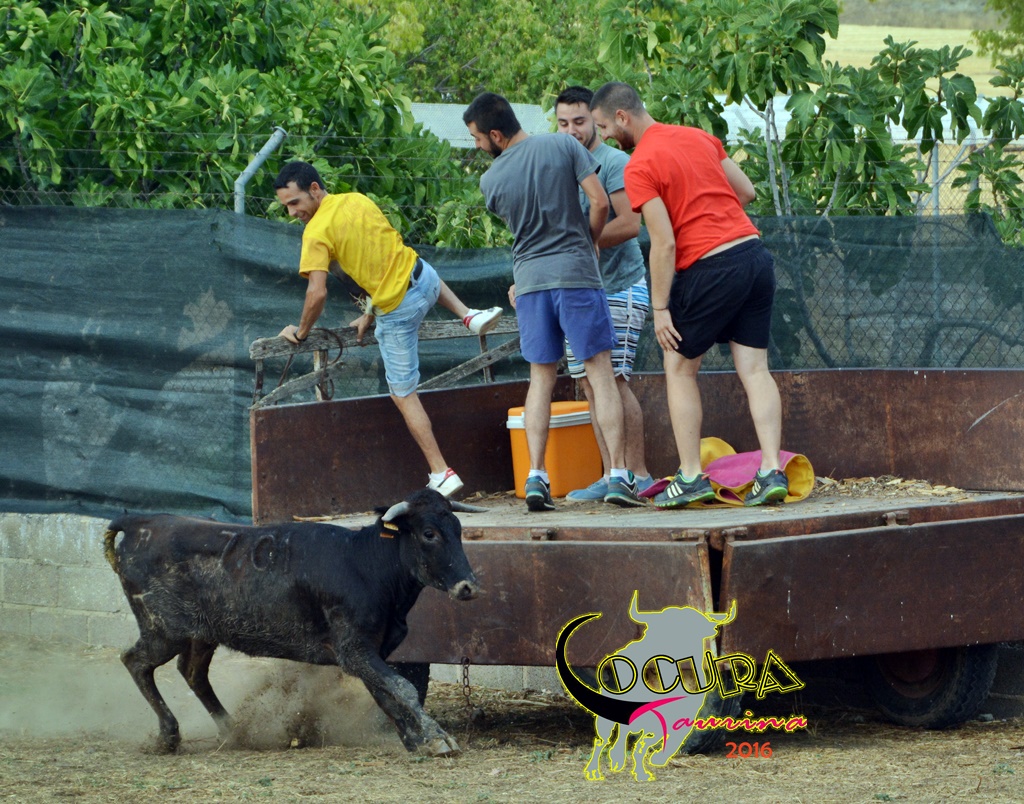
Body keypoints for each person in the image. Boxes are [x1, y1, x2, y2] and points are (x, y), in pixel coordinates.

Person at [589, 82, 788, 508]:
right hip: (754, 257)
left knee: (678, 367)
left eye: (603, 127)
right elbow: (746, 191)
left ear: (622, 117)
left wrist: (660, 308)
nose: (604, 135)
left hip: (710, 266)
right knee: (755, 369)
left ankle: (692, 476)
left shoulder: (639, 165)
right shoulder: (698, 136)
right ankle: (772, 470)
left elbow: (663, 243)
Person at [273, 160, 502, 498]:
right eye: (286, 207)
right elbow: (382, 259)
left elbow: (317, 293)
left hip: (398, 311)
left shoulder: (315, 232)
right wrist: (369, 311)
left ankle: (442, 472)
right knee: (413, 262)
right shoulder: (357, 199)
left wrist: (301, 332)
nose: (292, 213)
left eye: (295, 203)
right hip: (425, 281)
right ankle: (469, 315)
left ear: (315, 189)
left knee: (403, 394)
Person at [463, 91, 643, 511]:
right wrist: (589, 240)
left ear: (495, 135)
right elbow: (600, 201)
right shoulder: (563, 145)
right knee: (601, 373)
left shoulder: (490, 182)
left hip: (529, 283)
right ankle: (619, 475)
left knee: (540, 379)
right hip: (577, 276)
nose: (477, 145)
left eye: (477, 138)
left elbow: (522, 226)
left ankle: (536, 476)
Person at [553, 86, 654, 500]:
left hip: (621, 286)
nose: (572, 131)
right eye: (563, 123)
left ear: (595, 121)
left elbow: (630, 224)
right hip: (579, 291)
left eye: (580, 122)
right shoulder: (559, 165)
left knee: (614, 379)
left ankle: (639, 475)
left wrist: (585, 244)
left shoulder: (613, 162)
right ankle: (612, 474)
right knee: (591, 385)